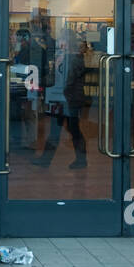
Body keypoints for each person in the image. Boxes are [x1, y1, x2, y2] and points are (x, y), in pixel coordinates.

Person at [33, 29, 88, 169]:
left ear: (68, 42)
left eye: (62, 40)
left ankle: (81, 160)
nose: (59, 43)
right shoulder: (64, 57)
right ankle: (47, 160)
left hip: (69, 100)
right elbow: (57, 78)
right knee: (59, 130)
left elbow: (66, 80)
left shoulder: (74, 58)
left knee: (72, 129)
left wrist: (46, 80)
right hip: (61, 99)